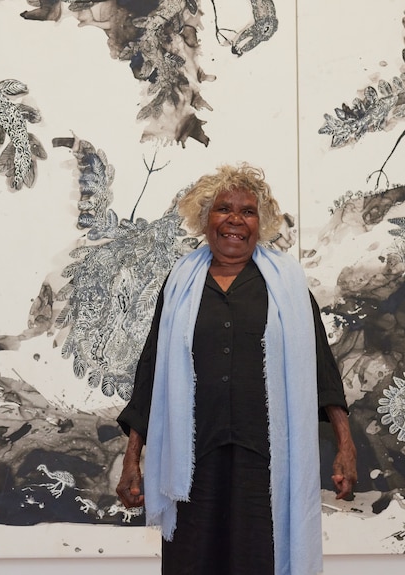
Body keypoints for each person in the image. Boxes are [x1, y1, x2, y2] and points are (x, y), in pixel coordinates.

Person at [115, 163, 357, 575]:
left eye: (247, 212)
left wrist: (345, 447)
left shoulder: (288, 286)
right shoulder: (180, 285)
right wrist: (131, 458)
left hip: (263, 461)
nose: (235, 220)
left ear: (260, 224)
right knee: (192, 563)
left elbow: (321, 371)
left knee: (258, 561)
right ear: (204, 218)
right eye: (224, 209)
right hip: (192, 459)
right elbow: (151, 373)